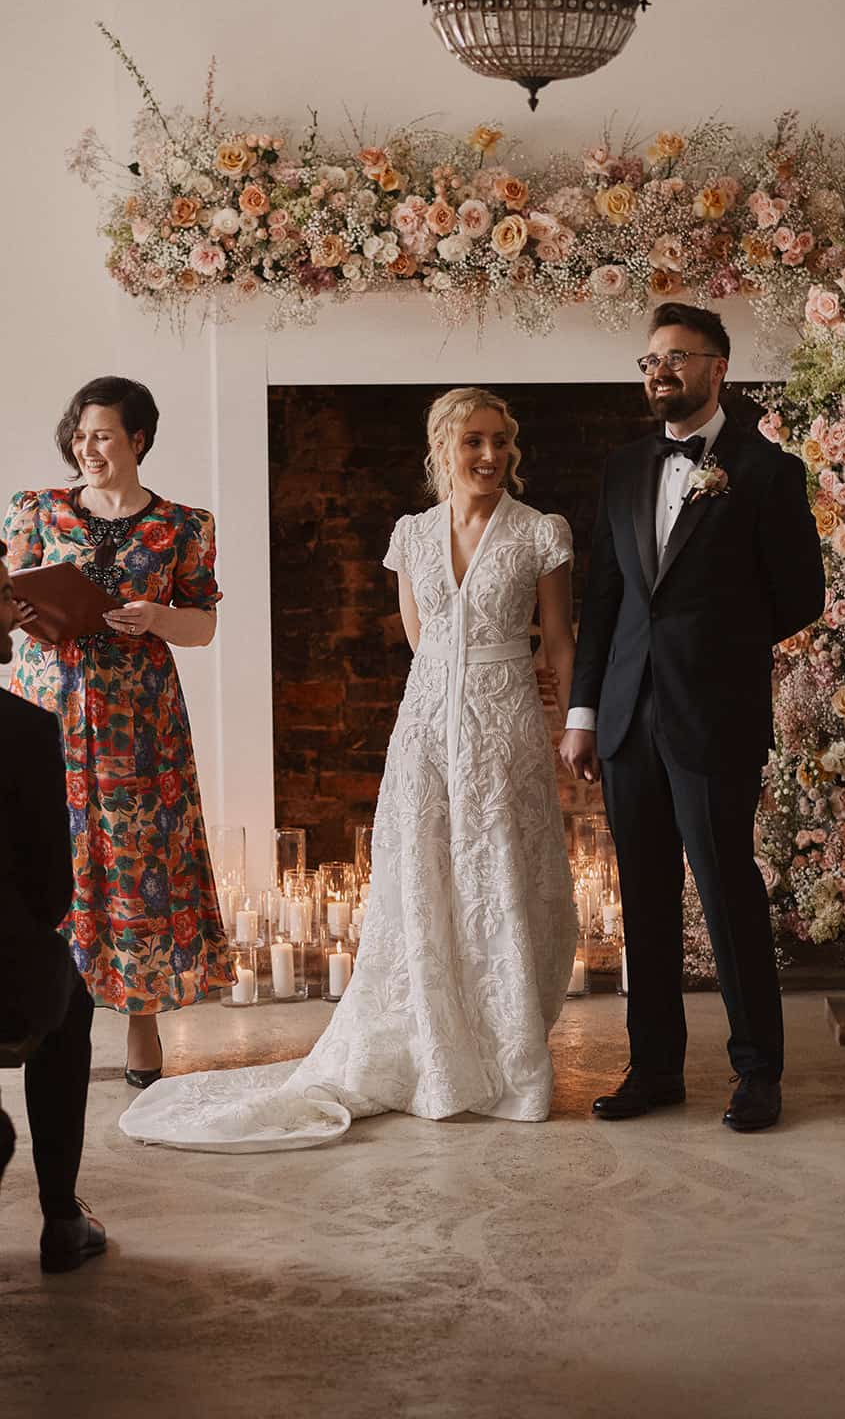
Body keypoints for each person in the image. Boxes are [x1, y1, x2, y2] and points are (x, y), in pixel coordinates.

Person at [119, 387, 578, 1150]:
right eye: (472, 440)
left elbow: (560, 637)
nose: (490, 455)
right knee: (423, 880)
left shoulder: (541, 533)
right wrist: (459, 679)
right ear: (442, 448)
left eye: (499, 440)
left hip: (507, 732)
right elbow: (419, 636)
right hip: (426, 728)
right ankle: (429, 1053)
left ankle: (506, 1062)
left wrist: (567, 716)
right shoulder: (412, 535)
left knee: (503, 880)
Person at [559, 302, 825, 1130]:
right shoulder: (622, 470)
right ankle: (655, 1068)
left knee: (724, 889)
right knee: (642, 895)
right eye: (648, 361)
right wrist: (581, 712)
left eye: (675, 357)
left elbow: (800, 595)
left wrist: (713, 643)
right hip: (627, 717)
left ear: (718, 367)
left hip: (714, 713)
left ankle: (757, 1072)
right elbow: (601, 602)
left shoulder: (768, 471)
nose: (658, 371)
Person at [2, 376, 233, 1089]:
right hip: (49, 717)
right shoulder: (35, 510)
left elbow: (204, 625)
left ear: (138, 439)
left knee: (140, 869)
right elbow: (4, 601)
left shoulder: (184, 526)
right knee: (50, 864)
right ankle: (46, 1019)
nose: (88, 447)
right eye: (80, 435)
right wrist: (28, 612)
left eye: (102, 434)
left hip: (141, 723)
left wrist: (156, 617)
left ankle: (141, 1024)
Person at [0, 541, 105, 1271]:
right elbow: (52, 895)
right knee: (68, 999)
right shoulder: (27, 731)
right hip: (3, 984)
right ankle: (61, 1220)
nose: (16, 613)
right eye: (5, 598)